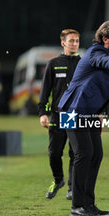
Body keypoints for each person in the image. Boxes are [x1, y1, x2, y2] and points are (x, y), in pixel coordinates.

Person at [58, 20, 109, 216]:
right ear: (105, 38)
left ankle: (89, 204)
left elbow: (101, 89)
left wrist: (100, 113)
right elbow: (104, 62)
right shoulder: (95, 52)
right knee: (83, 153)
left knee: (96, 154)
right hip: (71, 110)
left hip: (88, 112)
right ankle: (77, 205)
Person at [38, 29, 81, 200]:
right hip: (57, 115)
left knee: (75, 153)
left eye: (77, 40)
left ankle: (72, 188)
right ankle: (58, 180)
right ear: (63, 43)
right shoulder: (53, 64)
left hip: (75, 115)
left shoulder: (83, 64)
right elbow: (44, 91)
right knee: (54, 153)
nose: (75, 43)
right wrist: (43, 113)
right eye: (71, 41)